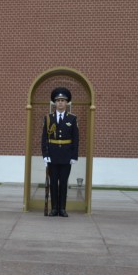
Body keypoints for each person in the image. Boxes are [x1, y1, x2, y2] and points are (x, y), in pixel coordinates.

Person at [41, 87, 79, 217]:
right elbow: (44, 138)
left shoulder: (72, 118)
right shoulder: (48, 118)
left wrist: (74, 156)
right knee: (53, 183)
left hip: (66, 156)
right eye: (58, 101)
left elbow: (76, 139)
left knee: (63, 183)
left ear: (67, 103)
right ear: (54, 103)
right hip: (52, 156)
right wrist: (45, 155)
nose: (60, 103)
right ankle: (54, 209)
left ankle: (62, 208)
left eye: (63, 100)